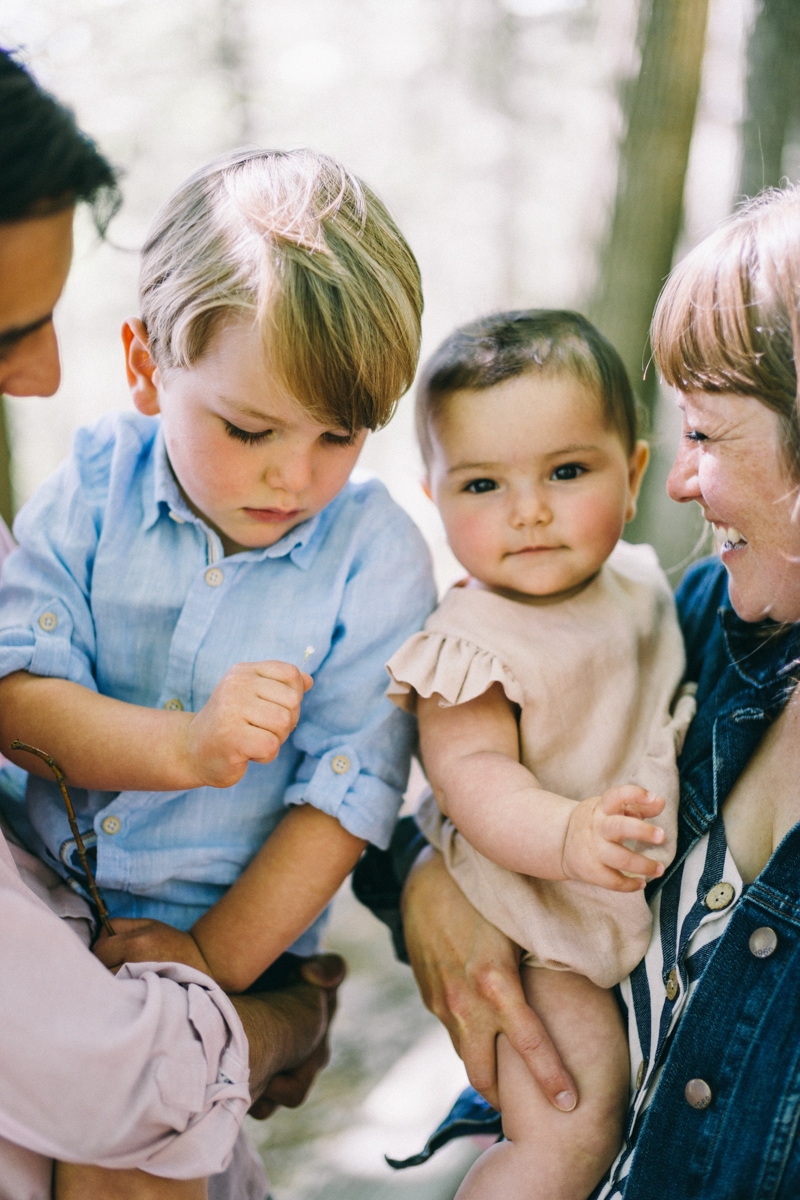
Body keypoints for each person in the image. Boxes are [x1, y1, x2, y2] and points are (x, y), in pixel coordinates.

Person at [0, 142, 436, 1193]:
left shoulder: (371, 558)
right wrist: (183, 747)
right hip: (46, 914)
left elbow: (344, 795)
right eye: (249, 429)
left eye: (339, 436)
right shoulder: (97, 485)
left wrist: (211, 975)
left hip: (227, 937)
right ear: (150, 367)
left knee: (146, 1148)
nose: (293, 475)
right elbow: (16, 698)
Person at [357, 184, 800, 1198]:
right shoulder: (708, 622)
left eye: (706, 435)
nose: (680, 485)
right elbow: (416, 790)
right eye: (481, 485)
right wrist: (434, 883)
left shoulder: (642, 601)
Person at [382, 310, 694, 1199]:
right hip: (532, 922)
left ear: (633, 474)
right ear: (434, 497)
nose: (529, 511)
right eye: (482, 485)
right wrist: (568, 834)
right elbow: (474, 779)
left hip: (607, 892)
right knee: (572, 1125)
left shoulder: (639, 580)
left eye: (566, 471)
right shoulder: (469, 641)